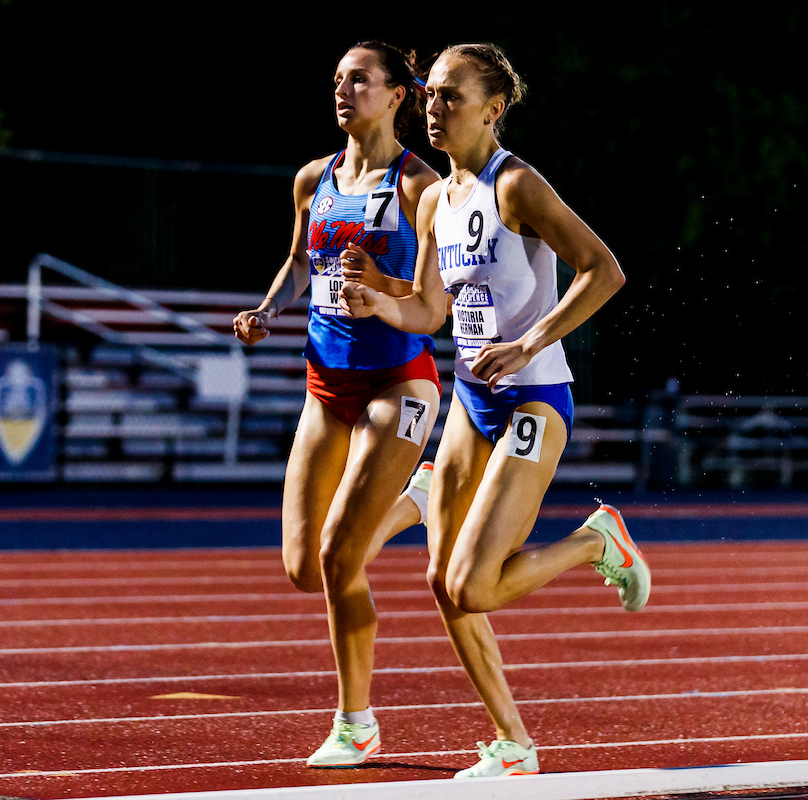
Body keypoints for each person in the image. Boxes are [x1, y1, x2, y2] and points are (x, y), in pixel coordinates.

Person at [339, 42, 650, 778]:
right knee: (442, 582)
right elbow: (430, 311)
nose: (434, 108)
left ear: (494, 108)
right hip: (470, 403)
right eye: (430, 94)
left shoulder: (518, 186)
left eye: (451, 96)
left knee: (475, 584)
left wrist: (529, 342)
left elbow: (604, 270)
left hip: (534, 396)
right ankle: (513, 743)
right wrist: (378, 297)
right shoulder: (435, 200)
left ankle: (595, 541)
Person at [232, 41, 443, 767]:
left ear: (396, 96)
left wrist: (379, 285)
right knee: (302, 566)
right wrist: (266, 310)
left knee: (338, 557)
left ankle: (356, 721)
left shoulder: (421, 186)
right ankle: (420, 497)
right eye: (337, 81)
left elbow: (432, 303)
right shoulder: (311, 178)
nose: (343, 91)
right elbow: (299, 262)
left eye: (359, 80)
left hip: (399, 380)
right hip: (326, 384)